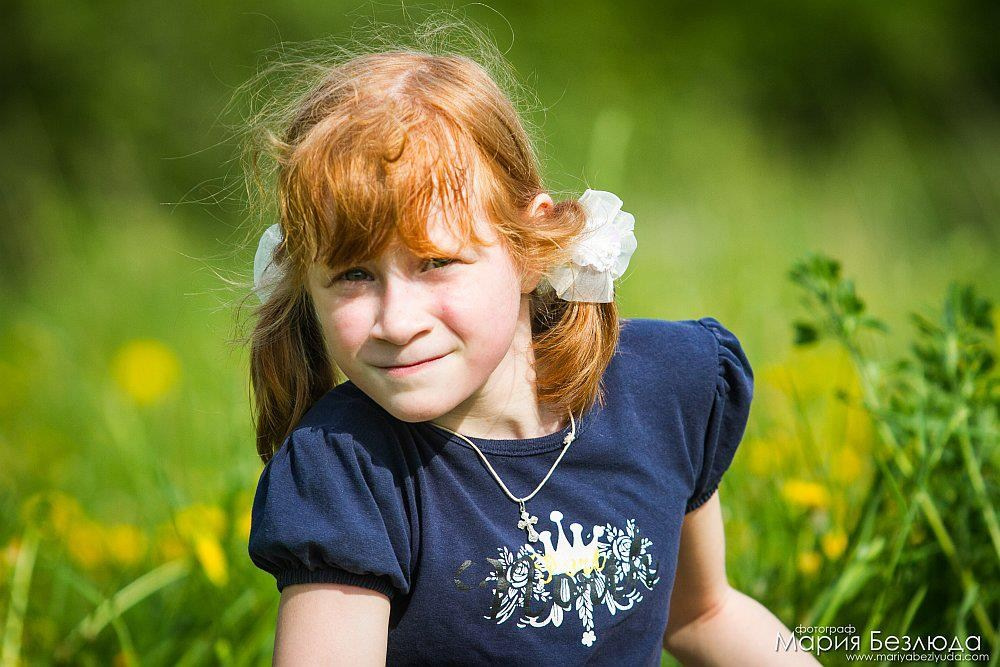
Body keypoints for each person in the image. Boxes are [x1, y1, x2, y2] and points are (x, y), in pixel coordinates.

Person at [243, 36, 818, 667]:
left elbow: (704, 615)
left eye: (436, 262)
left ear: (529, 246)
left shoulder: (663, 388)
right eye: (353, 275)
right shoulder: (346, 468)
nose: (397, 322)